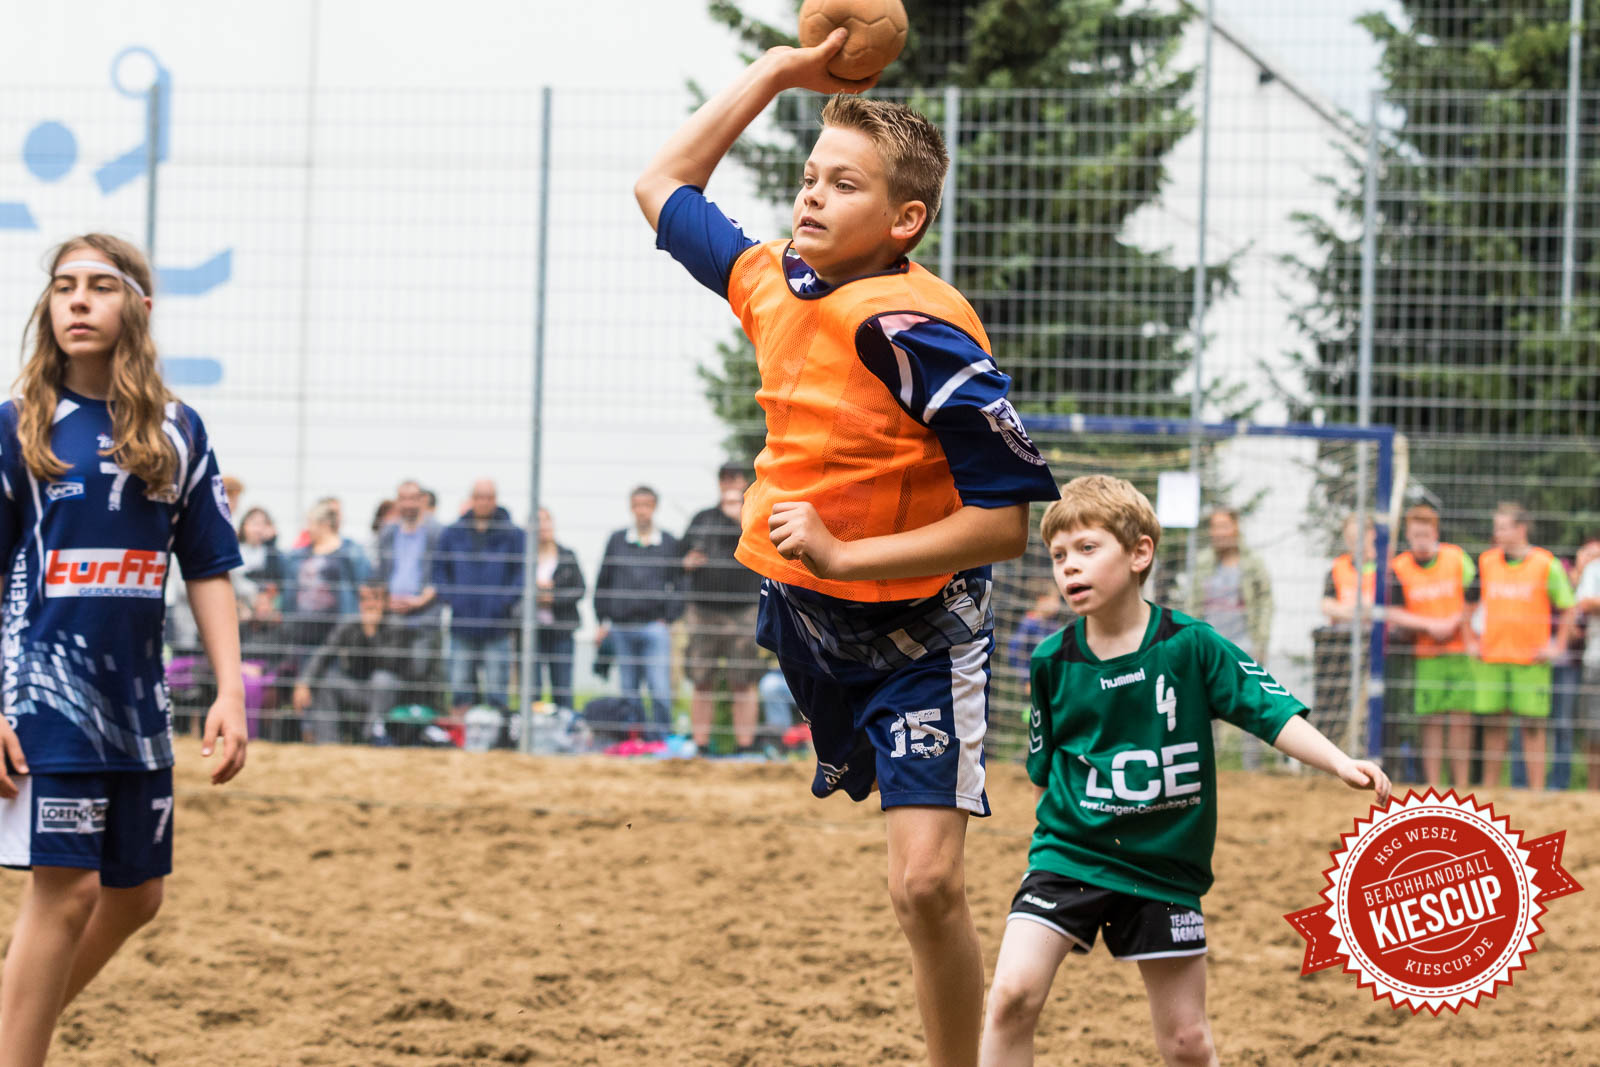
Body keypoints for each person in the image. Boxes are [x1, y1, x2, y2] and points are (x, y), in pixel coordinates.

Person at [635, 34, 1061, 1067]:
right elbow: (659, 183)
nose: (811, 198)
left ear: (903, 219)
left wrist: (839, 552)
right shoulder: (769, 282)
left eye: (845, 184)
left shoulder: (922, 330)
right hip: (810, 622)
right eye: (809, 178)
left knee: (923, 886)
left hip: (924, 634)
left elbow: (1006, 525)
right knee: (899, 850)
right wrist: (780, 73)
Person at [979, 477, 1390, 1067]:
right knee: (1011, 997)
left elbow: (1268, 711)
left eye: (1088, 549)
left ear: (1139, 553)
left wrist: (1339, 760)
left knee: (1187, 1042)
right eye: (1059, 556)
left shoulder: (1193, 646)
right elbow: (1043, 772)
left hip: (1164, 870)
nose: (1069, 567)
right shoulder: (1050, 662)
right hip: (1069, 855)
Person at [0, 234, 248, 1067]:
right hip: (43, 694)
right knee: (64, 894)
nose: (77, 300)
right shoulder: (18, 424)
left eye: (100, 286)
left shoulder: (179, 428)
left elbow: (208, 565)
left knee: (137, 895)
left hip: (138, 706)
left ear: (138, 308)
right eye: (63, 286)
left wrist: (231, 690)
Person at [1473, 502, 1574, 791]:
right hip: (1492, 656)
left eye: (1503, 527)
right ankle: (1489, 790)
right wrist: (1471, 640)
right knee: (1493, 726)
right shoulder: (1487, 561)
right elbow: (1469, 604)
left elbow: (1567, 607)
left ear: (1521, 529)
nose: (1497, 533)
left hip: (1531, 660)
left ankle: (1536, 793)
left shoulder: (1546, 563)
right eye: (1496, 527)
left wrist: (1558, 646)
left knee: (1532, 726)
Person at [1386, 505, 1477, 787]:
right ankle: (1433, 785)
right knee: (1431, 720)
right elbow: (1393, 611)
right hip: (1425, 653)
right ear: (1408, 535)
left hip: (1460, 650)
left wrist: (1454, 622)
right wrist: (1428, 626)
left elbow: (1474, 597)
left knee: (1461, 720)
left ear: (1435, 533)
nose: (1421, 540)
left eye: (1426, 533)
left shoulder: (1456, 558)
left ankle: (1461, 785)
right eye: (1416, 535)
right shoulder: (1398, 566)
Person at [681, 465, 765, 752]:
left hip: (744, 611)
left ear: (744, 483)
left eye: (735, 478)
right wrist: (688, 561)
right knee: (701, 679)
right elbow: (680, 556)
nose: (730, 483)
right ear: (719, 483)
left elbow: (764, 546)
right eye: (725, 479)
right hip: (704, 611)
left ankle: (746, 748)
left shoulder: (753, 516)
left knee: (743, 681)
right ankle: (700, 746)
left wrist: (737, 517)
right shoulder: (702, 518)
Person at [593, 486, 682, 734]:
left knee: (660, 690)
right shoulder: (617, 540)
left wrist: (670, 618)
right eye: (637, 505)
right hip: (621, 627)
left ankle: (662, 740)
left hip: (655, 626)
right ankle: (635, 740)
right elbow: (604, 580)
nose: (642, 510)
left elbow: (679, 583)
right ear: (631, 507)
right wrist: (602, 619)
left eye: (647, 505)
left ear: (654, 507)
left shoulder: (668, 542)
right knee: (629, 692)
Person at [434, 479, 524, 721]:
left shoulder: (513, 535)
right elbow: (440, 571)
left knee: (497, 683)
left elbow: (520, 574)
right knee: (460, 681)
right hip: (462, 622)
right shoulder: (452, 534)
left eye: (489, 497)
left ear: (496, 500)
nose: (484, 502)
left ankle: (497, 732)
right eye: (479, 497)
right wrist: (453, 599)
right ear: (472, 499)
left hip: (497, 625)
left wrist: (504, 602)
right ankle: (461, 732)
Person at [292, 581, 416, 744]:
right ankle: (328, 744)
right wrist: (304, 682)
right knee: (327, 680)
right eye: (364, 600)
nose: (369, 605)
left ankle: (372, 737)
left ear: (386, 602)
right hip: (357, 688)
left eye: (375, 599)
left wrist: (371, 634)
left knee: (382, 679)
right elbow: (324, 653)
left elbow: (390, 664)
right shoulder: (349, 625)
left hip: (389, 694)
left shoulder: (398, 626)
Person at [1311, 513, 1379, 739]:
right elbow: (1327, 605)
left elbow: (1383, 608)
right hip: (1341, 647)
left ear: (1372, 535)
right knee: (1334, 704)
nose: (1355, 542)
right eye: (1350, 537)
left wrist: (1351, 611)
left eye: (1359, 536)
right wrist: (1359, 612)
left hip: (1374, 647)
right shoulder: (1338, 568)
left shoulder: (1384, 569)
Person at [282, 500, 369, 673]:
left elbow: (363, 585)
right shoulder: (300, 554)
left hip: (336, 631)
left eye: (311, 523)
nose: (308, 529)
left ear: (324, 524)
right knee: (304, 681)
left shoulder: (350, 551)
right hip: (304, 631)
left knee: (333, 678)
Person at [532, 507, 586, 711]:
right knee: (533, 687)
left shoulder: (567, 555)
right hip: (533, 632)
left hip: (561, 630)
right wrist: (535, 595)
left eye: (546, 521)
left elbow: (579, 589)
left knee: (562, 687)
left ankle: (564, 731)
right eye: (538, 522)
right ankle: (534, 729)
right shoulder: (524, 558)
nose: (543, 526)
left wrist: (553, 598)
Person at [1574, 539, 1600, 790]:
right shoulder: (1595, 569)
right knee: (1594, 731)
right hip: (1596, 658)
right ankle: (1594, 792)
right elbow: (1586, 602)